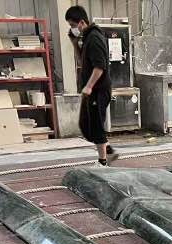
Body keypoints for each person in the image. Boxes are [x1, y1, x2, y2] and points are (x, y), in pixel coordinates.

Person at [66, 5, 117, 165]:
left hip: (98, 90)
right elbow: (83, 61)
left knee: (95, 125)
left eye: (73, 25)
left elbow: (99, 67)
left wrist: (89, 86)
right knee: (85, 125)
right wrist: (74, 43)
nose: (72, 29)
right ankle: (109, 150)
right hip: (91, 90)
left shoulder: (94, 38)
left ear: (82, 22)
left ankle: (103, 161)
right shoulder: (87, 38)